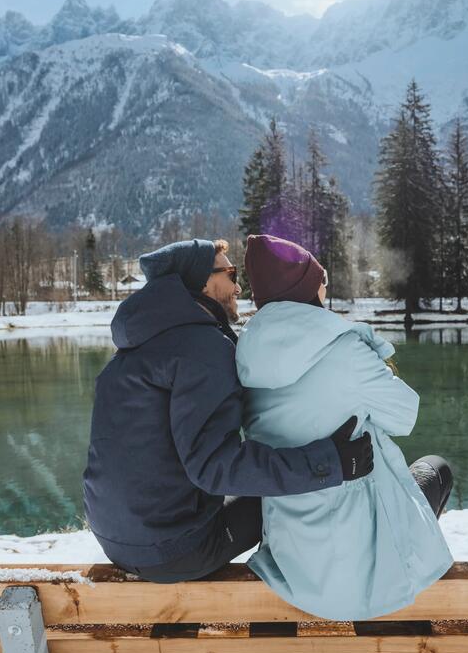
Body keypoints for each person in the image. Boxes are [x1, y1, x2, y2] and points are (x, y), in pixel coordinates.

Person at [82, 237, 374, 583]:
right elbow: (215, 467)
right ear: (201, 281)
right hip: (175, 551)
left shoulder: (137, 347)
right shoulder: (202, 349)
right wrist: (329, 463)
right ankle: (326, 583)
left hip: (116, 540)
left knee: (265, 485)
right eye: (231, 273)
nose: (238, 286)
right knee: (292, 497)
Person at [235, 233, 454, 620]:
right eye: (322, 282)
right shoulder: (344, 349)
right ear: (305, 289)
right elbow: (404, 417)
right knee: (436, 469)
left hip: (293, 566)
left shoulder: (243, 354)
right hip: (357, 576)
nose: (326, 289)